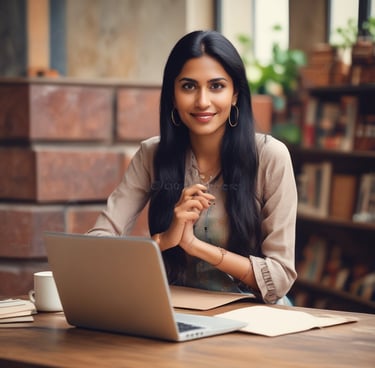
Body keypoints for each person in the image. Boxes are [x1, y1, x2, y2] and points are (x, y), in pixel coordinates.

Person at [87, 30, 298, 305]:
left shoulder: (271, 156)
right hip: (178, 313)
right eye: (188, 86)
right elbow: (95, 248)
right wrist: (164, 240)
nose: (202, 101)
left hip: (254, 319)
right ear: (172, 96)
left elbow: (280, 278)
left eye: (216, 86)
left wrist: (196, 246)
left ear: (235, 94)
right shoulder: (152, 154)